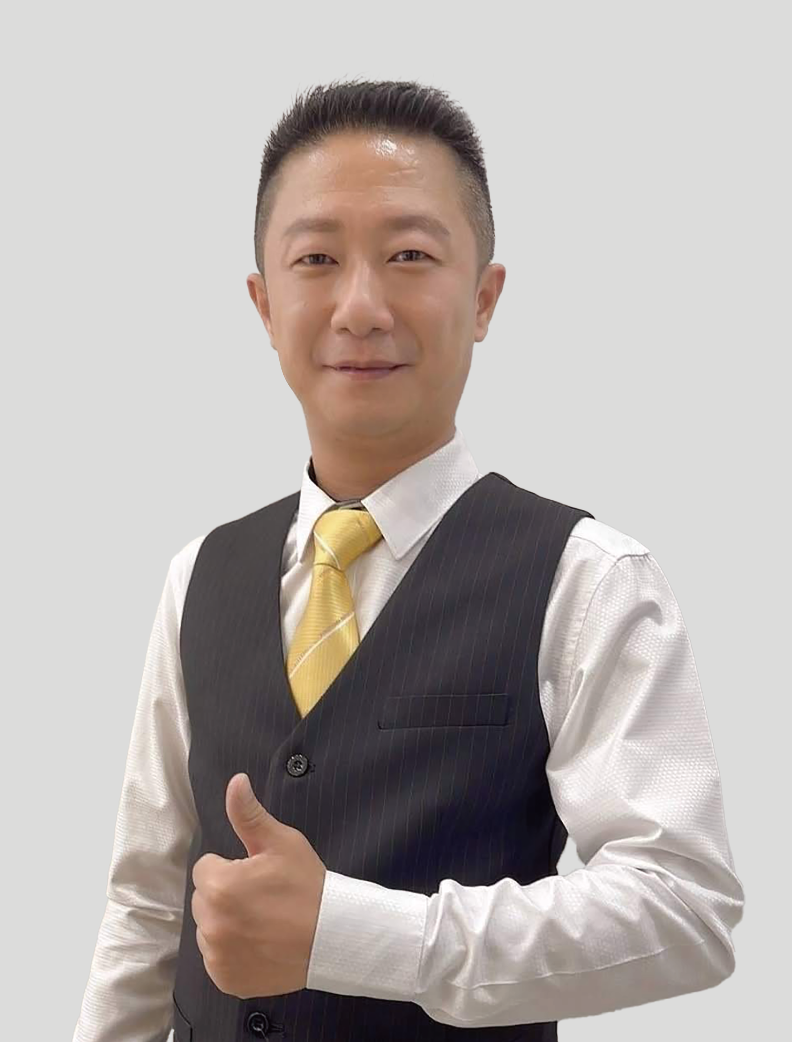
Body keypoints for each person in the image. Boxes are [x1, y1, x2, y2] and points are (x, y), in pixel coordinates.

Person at [72, 79, 744, 1042]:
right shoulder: (199, 577)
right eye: (316, 259)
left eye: (409, 257)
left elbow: (684, 906)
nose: (360, 306)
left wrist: (351, 934)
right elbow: (145, 905)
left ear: (484, 298)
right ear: (264, 304)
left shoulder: (587, 579)